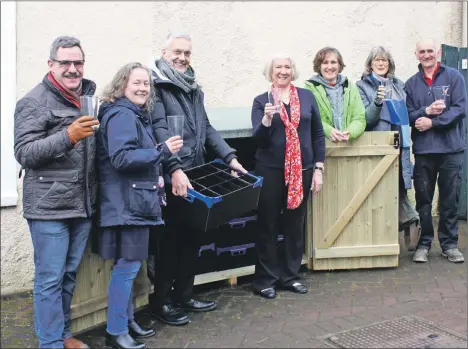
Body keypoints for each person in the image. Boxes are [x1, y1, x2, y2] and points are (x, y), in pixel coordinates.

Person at [147, 32, 247, 325]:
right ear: (164, 53)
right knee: (169, 242)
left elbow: (207, 127)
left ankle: (185, 295)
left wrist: (231, 157)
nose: (182, 57)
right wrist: (175, 169)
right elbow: (159, 131)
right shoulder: (157, 88)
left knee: (192, 238)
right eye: (177, 52)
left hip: (198, 173)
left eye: (187, 53)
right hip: (173, 175)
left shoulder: (194, 88)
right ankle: (161, 301)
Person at [13, 36, 99, 349]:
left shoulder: (89, 96)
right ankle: (49, 343)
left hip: (81, 205)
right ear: (51, 65)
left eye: (78, 62)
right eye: (65, 63)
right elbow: (24, 153)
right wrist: (68, 136)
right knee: (49, 279)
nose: (73, 69)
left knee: (68, 276)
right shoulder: (33, 102)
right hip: (49, 207)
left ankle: (62, 335)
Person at [95, 62, 183, 349]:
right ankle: (115, 331)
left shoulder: (132, 113)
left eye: (147, 84)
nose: (144, 88)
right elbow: (122, 158)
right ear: (123, 85)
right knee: (127, 267)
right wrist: (162, 150)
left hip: (131, 201)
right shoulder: (122, 114)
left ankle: (126, 320)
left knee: (129, 267)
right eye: (137, 83)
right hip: (128, 202)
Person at [250, 54, 325, 299]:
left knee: (295, 224)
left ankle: (290, 276)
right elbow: (258, 139)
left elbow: (317, 135)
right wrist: (267, 119)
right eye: (278, 67)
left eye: (287, 66)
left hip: (301, 170)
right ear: (270, 73)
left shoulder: (306, 97)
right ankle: (265, 280)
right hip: (270, 170)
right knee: (267, 225)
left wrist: (318, 169)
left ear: (293, 70)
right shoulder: (262, 101)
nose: (283, 71)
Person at [405, 38, 466, 263]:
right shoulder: (411, 84)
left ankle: (449, 245)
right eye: (423, 51)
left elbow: (460, 108)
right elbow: (408, 115)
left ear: (438, 52)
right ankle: (424, 243)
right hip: (424, 150)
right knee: (424, 199)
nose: (427, 54)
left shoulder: (454, 77)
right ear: (416, 54)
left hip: (451, 148)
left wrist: (433, 122)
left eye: (430, 50)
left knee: (450, 199)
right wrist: (425, 110)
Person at [356, 46, 420, 244]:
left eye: (384, 60)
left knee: (399, 185)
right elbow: (367, 119)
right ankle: (407, 221)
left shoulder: (400, 85)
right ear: (370, 64)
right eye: (377, 60)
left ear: (389, 64)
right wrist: (377, 102)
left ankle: (399, 231)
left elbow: (407, 114)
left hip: (400, 143)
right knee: (379, 190)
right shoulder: (361, 86)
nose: (381, 63)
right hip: (378, 143)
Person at [305, 47, 366, 142]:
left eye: (333, 62)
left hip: (348, 147)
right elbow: (308, 118)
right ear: (319, 66)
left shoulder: (350, 87)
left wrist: (350, 132)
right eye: (325, 63)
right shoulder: (309, 89)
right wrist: (328, 130)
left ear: (339, 65)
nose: (329, 67)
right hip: (320, 146)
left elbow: (359, 118)